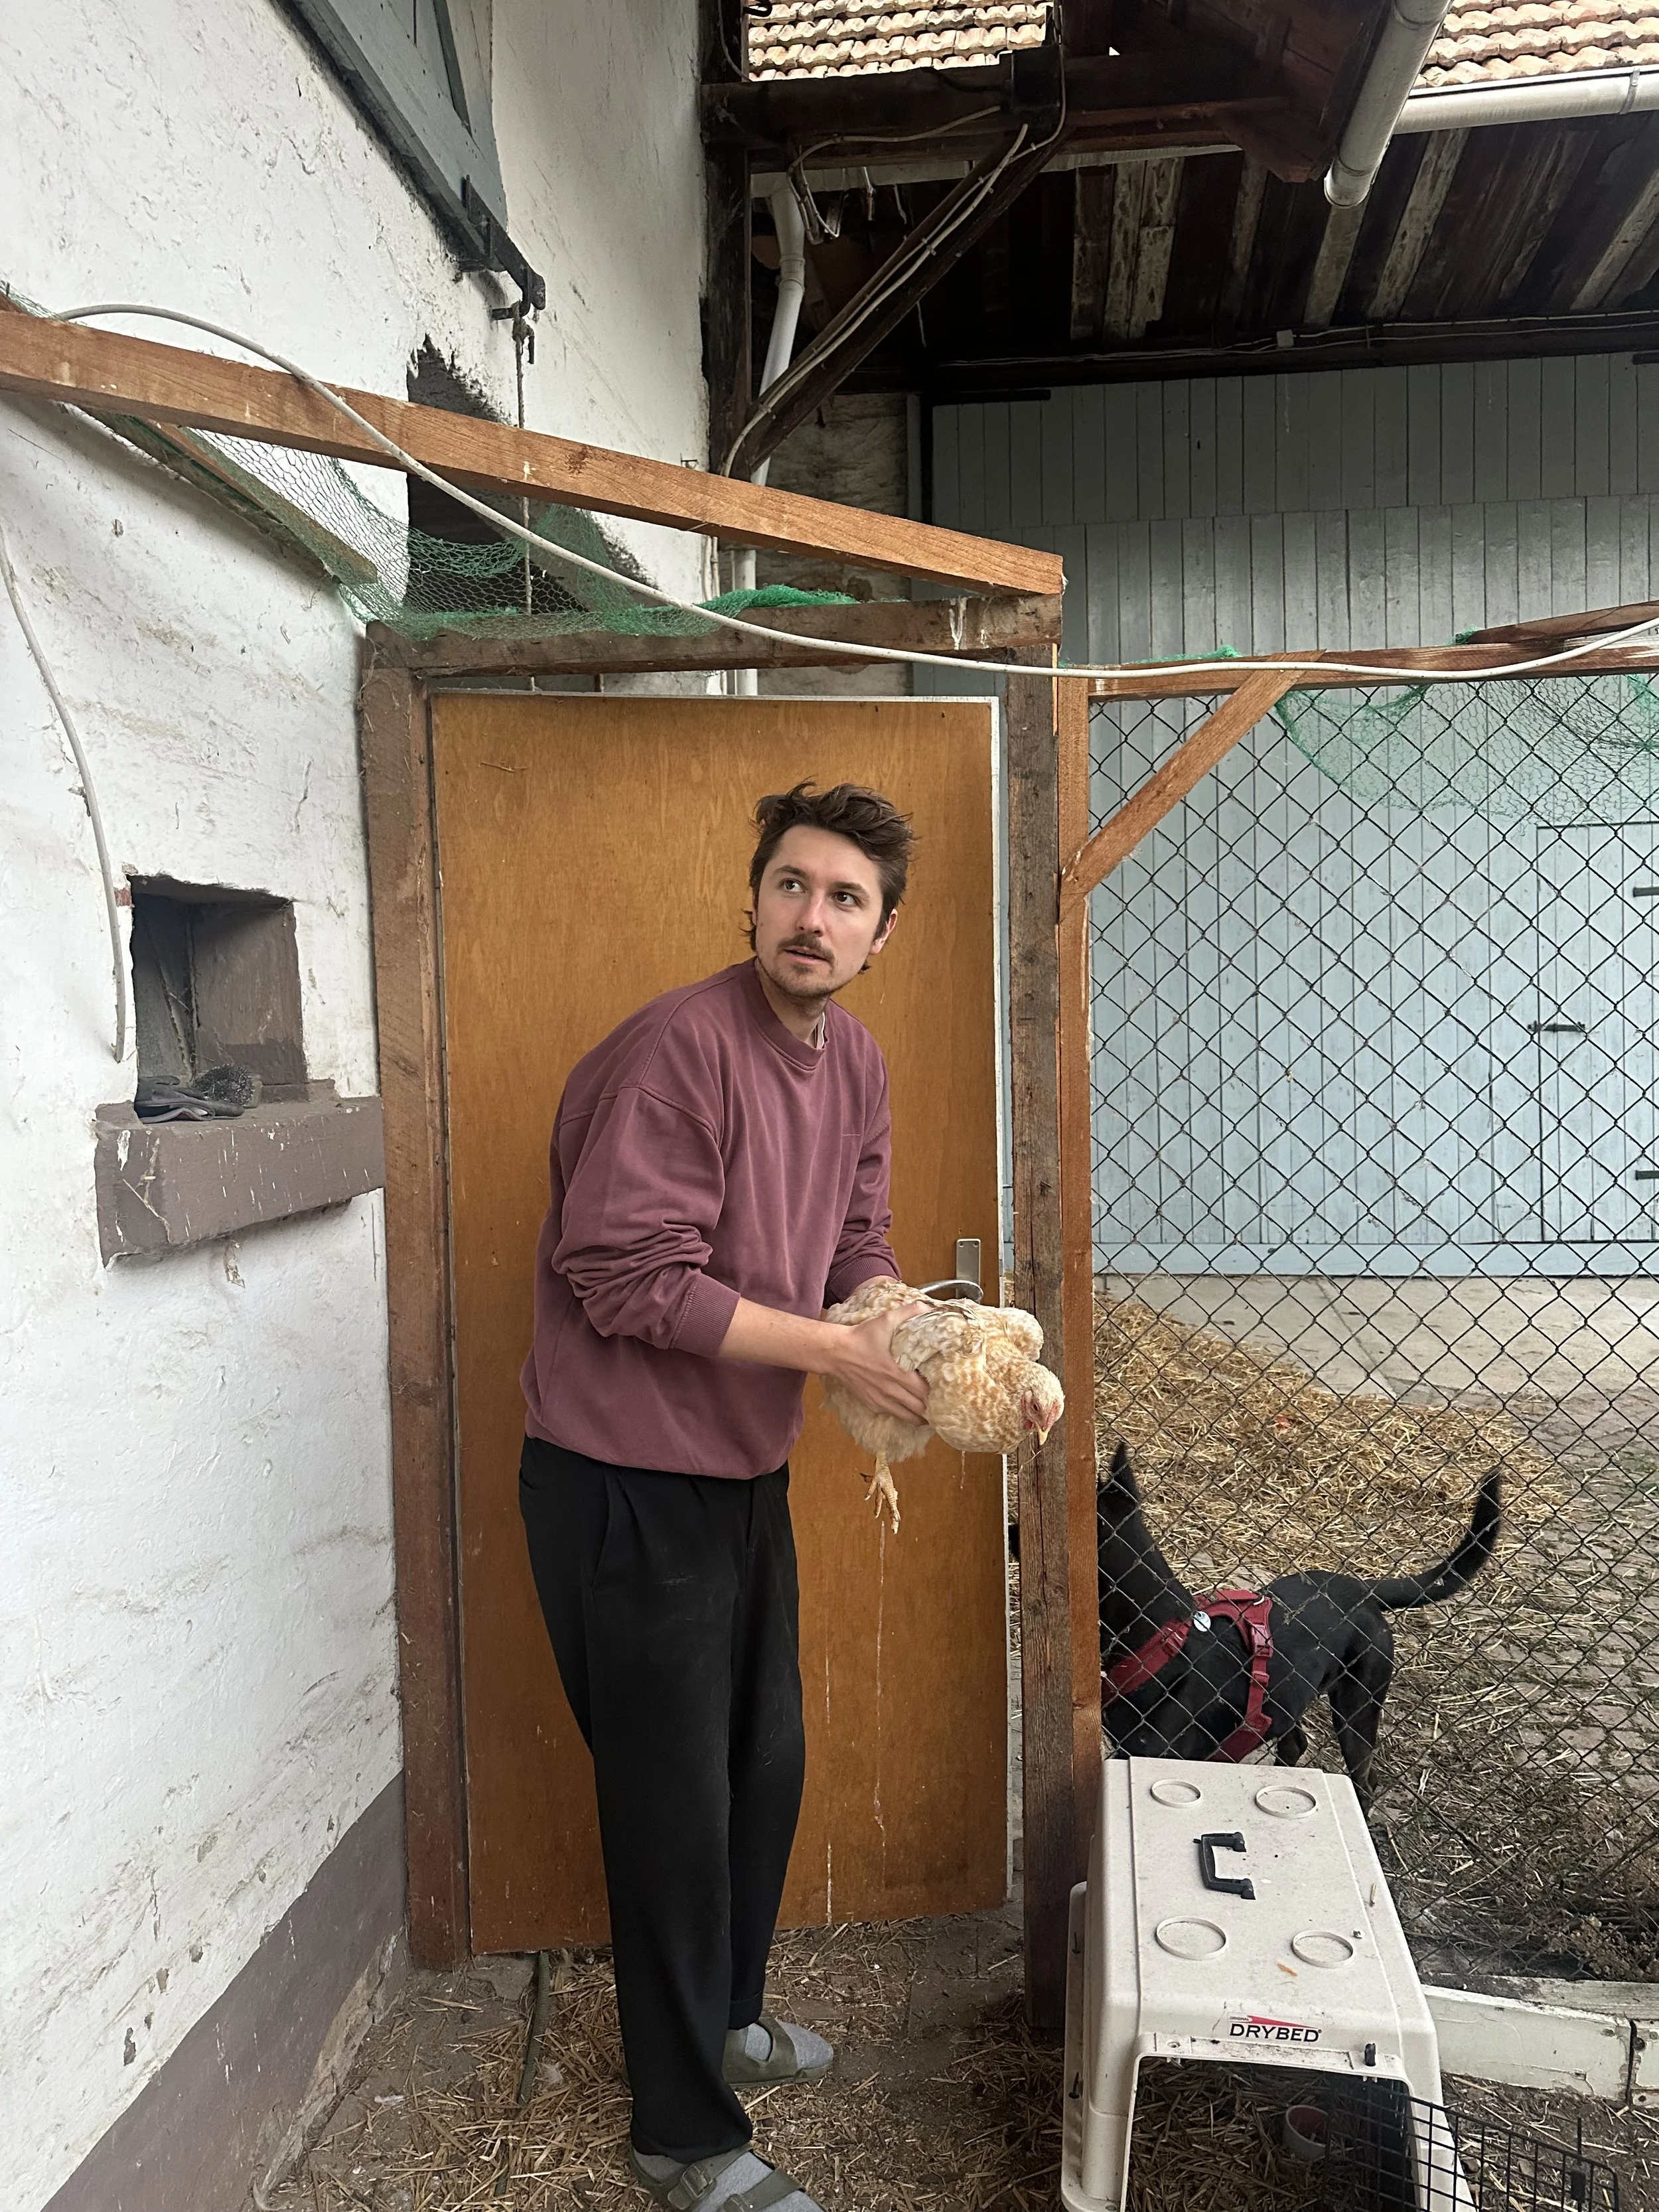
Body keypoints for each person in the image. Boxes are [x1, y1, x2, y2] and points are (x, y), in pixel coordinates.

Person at [518, 780, 927, 2212]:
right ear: (752, 898)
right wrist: (834, 1352)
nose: (811, 917)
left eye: (844, 899)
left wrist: (931, 1341)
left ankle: (726, 2017)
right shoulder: (677, 1054)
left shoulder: (854, 1061)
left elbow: (855, 1244)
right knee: (671, 1811)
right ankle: (681, 2132)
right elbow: (622, 1276)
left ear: (877, 936)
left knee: (762, 1766)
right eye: (791, 886)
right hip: (621, 1477)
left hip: (738, 1471)